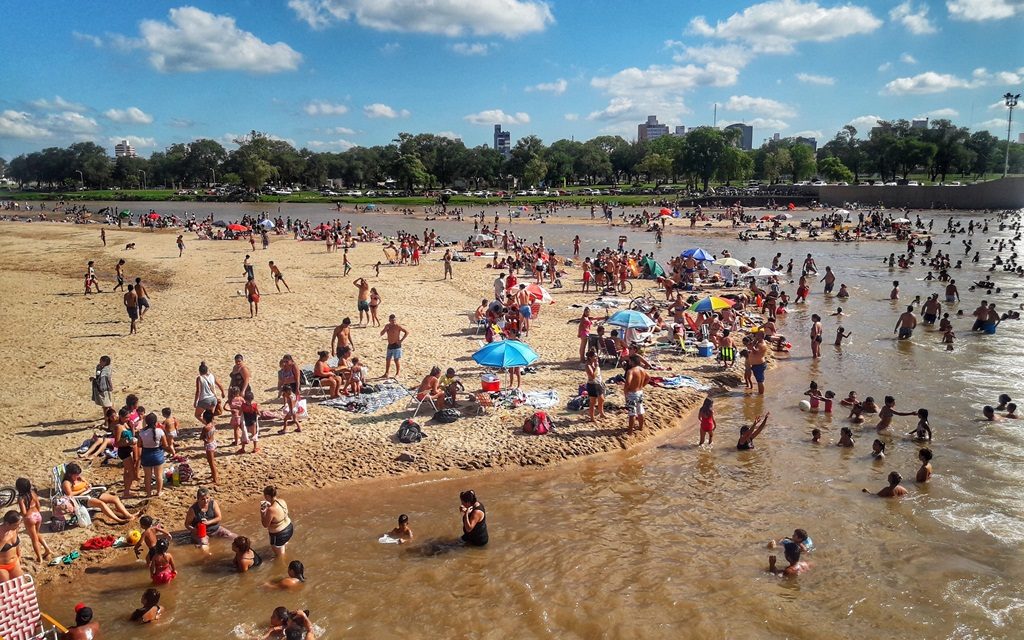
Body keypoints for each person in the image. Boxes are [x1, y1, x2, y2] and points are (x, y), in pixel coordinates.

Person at [62, 462, 133, 523]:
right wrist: (83, 490)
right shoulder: (67, 483)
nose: (78, 476)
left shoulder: (79, 478)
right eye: (76, 475)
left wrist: (85, 482)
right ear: (70, 474)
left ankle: (128, 515)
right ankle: (118, 520)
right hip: (82, 498)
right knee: (101, 504)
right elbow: (69, 494)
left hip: (92, 492)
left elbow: (88, 485)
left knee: (115, 498)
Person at [15, 478, 53, 562]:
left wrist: (17, 514)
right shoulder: (33, 493)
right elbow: (38, 505)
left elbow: (24, 512)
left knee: (34, 539)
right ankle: (47, 549)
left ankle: (39, 558)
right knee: (37, 533)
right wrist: (37, 512)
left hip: (30, 518)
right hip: (38, 515)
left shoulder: (21, 498)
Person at [138, 412, 169, 498]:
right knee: (158, 475)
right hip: (157, 454)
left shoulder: (142, 432)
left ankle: (148, 493)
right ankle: (158, 492)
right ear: (155, 422)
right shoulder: (160, 431)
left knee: (147, 476)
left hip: (146, 455)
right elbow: (165, 445)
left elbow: (139, 445)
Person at [261, 486, 294, 558]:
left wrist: (263, 513)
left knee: (280, 556)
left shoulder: (271, 510)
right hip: (289, 528)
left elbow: (265, 525)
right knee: (283, 546)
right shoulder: (282, 501)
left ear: (267, 496)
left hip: (279, 535)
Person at [623, 355, 650, 433]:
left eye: (630, 361)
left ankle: (630, 431)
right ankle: (641, 427)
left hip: (632, 393)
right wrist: (642, 385)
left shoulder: (630, 371)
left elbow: (628, 382)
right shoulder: (642, 369)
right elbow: (648, 378)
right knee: (640, 411)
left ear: (632, 362)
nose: (629, 362)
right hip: (640, 392)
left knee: (632, 413)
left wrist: (625, 391)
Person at [0, 511, 24, 582]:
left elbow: (17, 543)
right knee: (6, 587)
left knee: (21, 584)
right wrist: (4, 541)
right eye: (16, 524)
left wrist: (19, 555)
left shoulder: (15, 529)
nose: (19, 526)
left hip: (15, 562)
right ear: (7, 524)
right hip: (2, 566)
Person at [90, 355, 113, 422]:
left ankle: (107, 421)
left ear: (105, 362)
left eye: (101, 361)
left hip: (104, 389)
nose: (99, 362)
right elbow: (98, 376)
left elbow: (102, 379)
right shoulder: (99, 367)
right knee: (108, 404)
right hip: (104, 388)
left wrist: (93, 379)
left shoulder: (106, 369)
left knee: (106, 405)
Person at [585, 350, 605, 422]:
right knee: (593, 402)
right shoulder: (588, 365)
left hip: (598, 383)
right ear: (590, 357)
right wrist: (596, 367)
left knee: (602, 399)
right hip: (592, 385)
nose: (597, 357)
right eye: (595, 356)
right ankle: (592, 418)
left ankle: (601, 413)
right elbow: (592, 376)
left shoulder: (595, 363)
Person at [200, 409, 218, 484]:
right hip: (213, 442)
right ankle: (213, 475)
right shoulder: (213, 424)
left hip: (209, 444)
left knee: (211, 462)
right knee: (212, 461)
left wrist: (203, 439)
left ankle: (215, 478)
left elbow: (201, 437)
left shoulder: (206, 428)